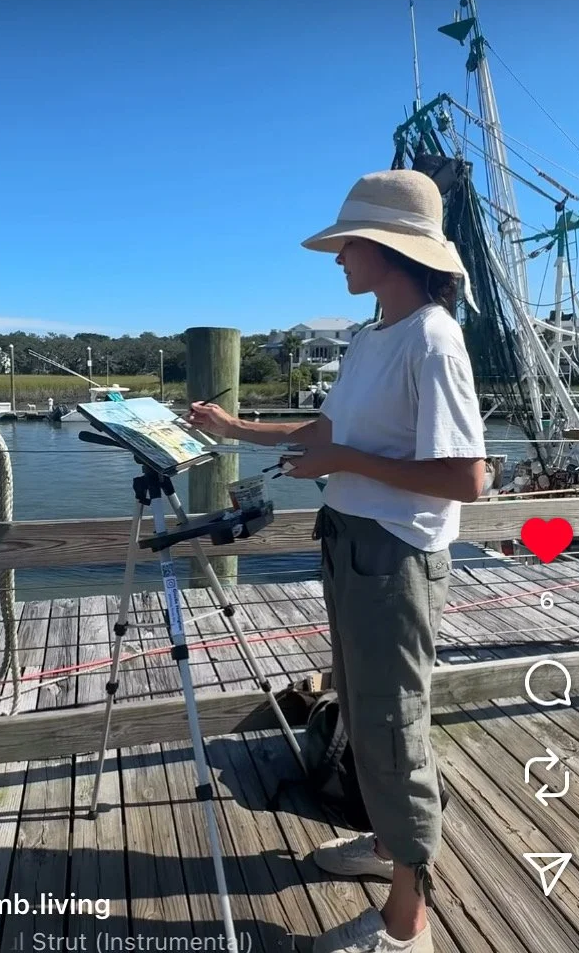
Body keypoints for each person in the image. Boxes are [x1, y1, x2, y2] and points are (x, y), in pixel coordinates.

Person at [188, 169, 486, 953]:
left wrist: (345, 461)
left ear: (389, 249)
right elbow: (325, 433)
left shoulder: (432, 338)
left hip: (396, 558)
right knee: (362, 711)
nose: (339, 258)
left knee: (394, 729)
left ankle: (407, 924)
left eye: (349, 244)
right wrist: (233, 428)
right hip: (351, 545)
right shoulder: (372, 337)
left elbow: (468, 477)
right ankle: (388, 846)